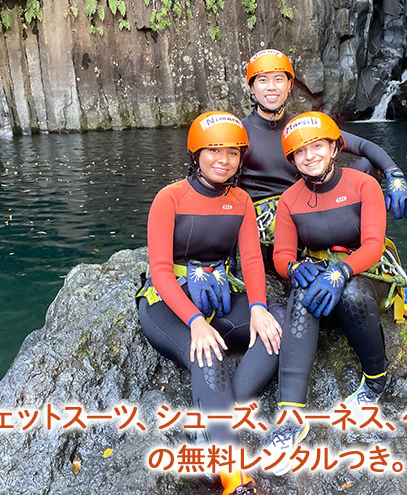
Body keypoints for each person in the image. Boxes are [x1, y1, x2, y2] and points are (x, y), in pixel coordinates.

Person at [239, 49, 407, 333]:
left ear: (290, 85)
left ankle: (386, 273)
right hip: (271, 214)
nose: (271, 87)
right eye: (263, 80)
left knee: (367, 167)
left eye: (279, 79)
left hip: (312, 198)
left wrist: (394, 175)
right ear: (252, 88)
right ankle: (402, 285)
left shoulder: (305, 126)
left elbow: (366, 148)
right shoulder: (240, 131)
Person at [136, 111, 283, 495]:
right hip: (168, 304)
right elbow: (161, 271)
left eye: (232, 153)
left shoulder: (241, 201)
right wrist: (195, 321)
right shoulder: (169, 198)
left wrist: (258, 309)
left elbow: (251, 261)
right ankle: (235, 478)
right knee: (207, 353)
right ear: (195, 154)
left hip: (219, 292)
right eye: (214, 150)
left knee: (276, 329)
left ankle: (212, 419)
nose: (223, 160)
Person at [264, 112, 393, 475]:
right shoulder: (289, 200)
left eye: (317, 146)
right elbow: (282, 255)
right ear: (292, 159)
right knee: (301, 294)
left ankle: (375, 382)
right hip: (320, 272)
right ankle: (291, 418)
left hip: (365, 271)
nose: (309, 156)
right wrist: (292, 269)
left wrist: (341, 270)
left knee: (352, 293)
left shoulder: (362, 185)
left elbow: (373, 245)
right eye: (300, 152)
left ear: (335, 147)